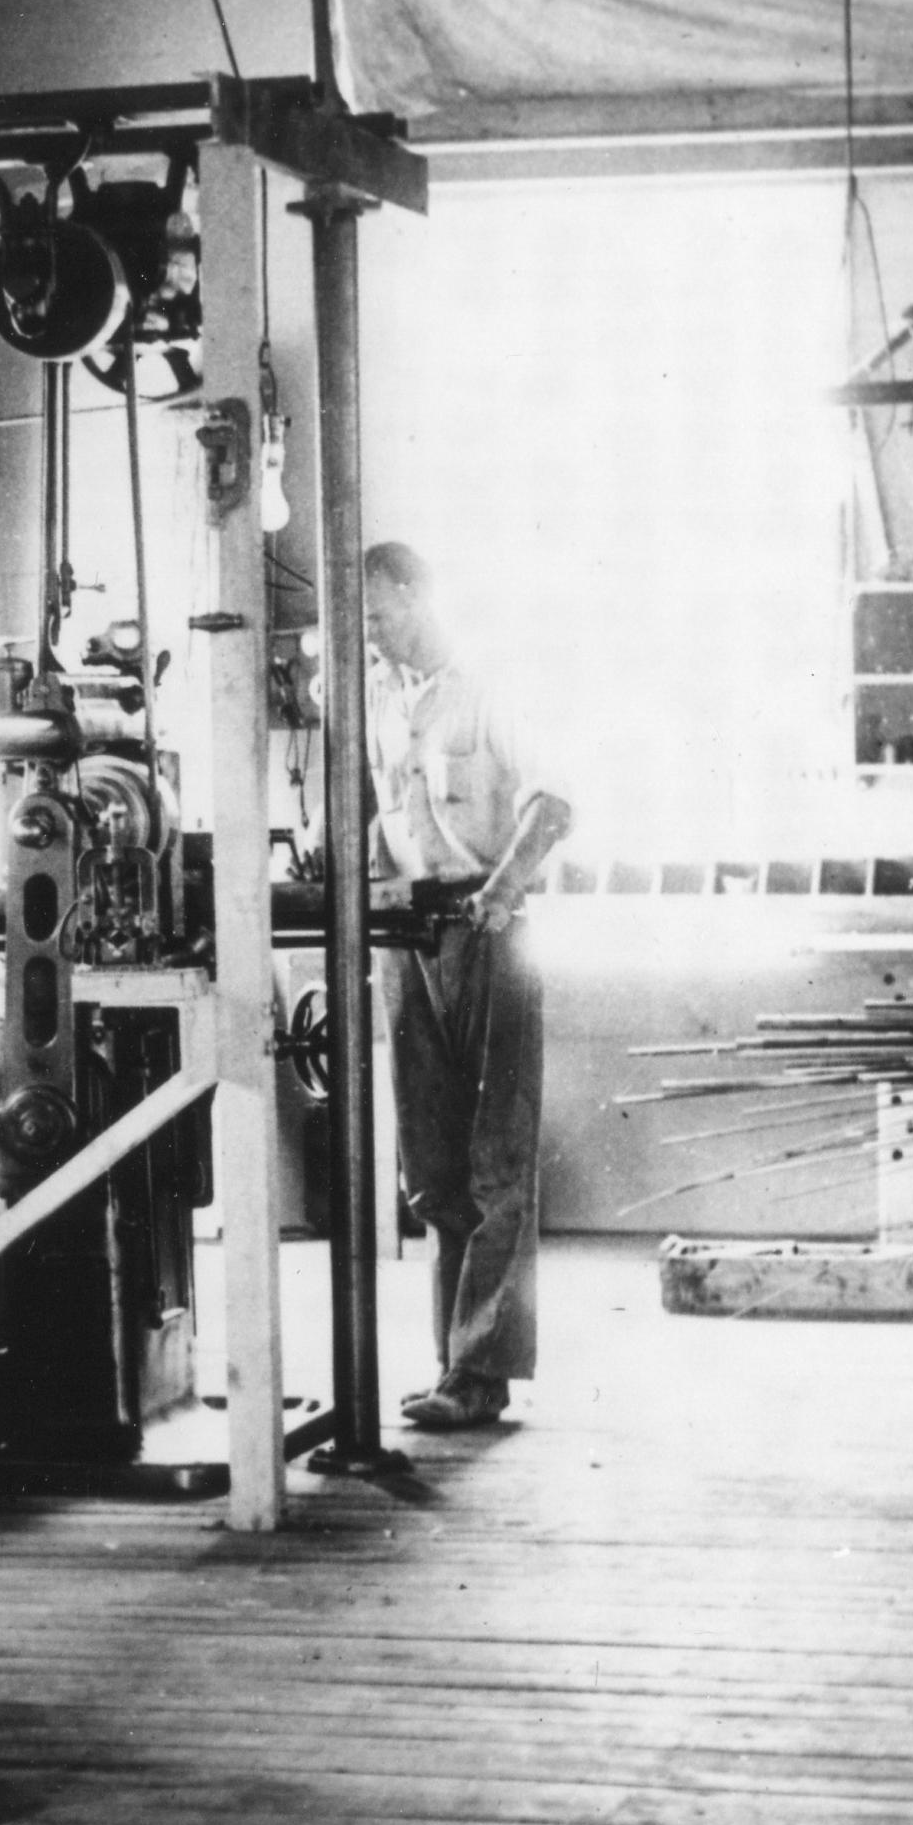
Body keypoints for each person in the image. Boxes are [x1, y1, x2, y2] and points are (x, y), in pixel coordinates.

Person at [363, 545, 547, 1434]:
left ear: (416, 592)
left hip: (488, 933)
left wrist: (500, 894)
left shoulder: (491, 687)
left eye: (379, 615)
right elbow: (377, 817)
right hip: (403, 938)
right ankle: (453, 1365)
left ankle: (479, 1373)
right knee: (431, 1171)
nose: (370, 635)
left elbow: (554, 804)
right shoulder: (381, 701)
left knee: (494, 1163)